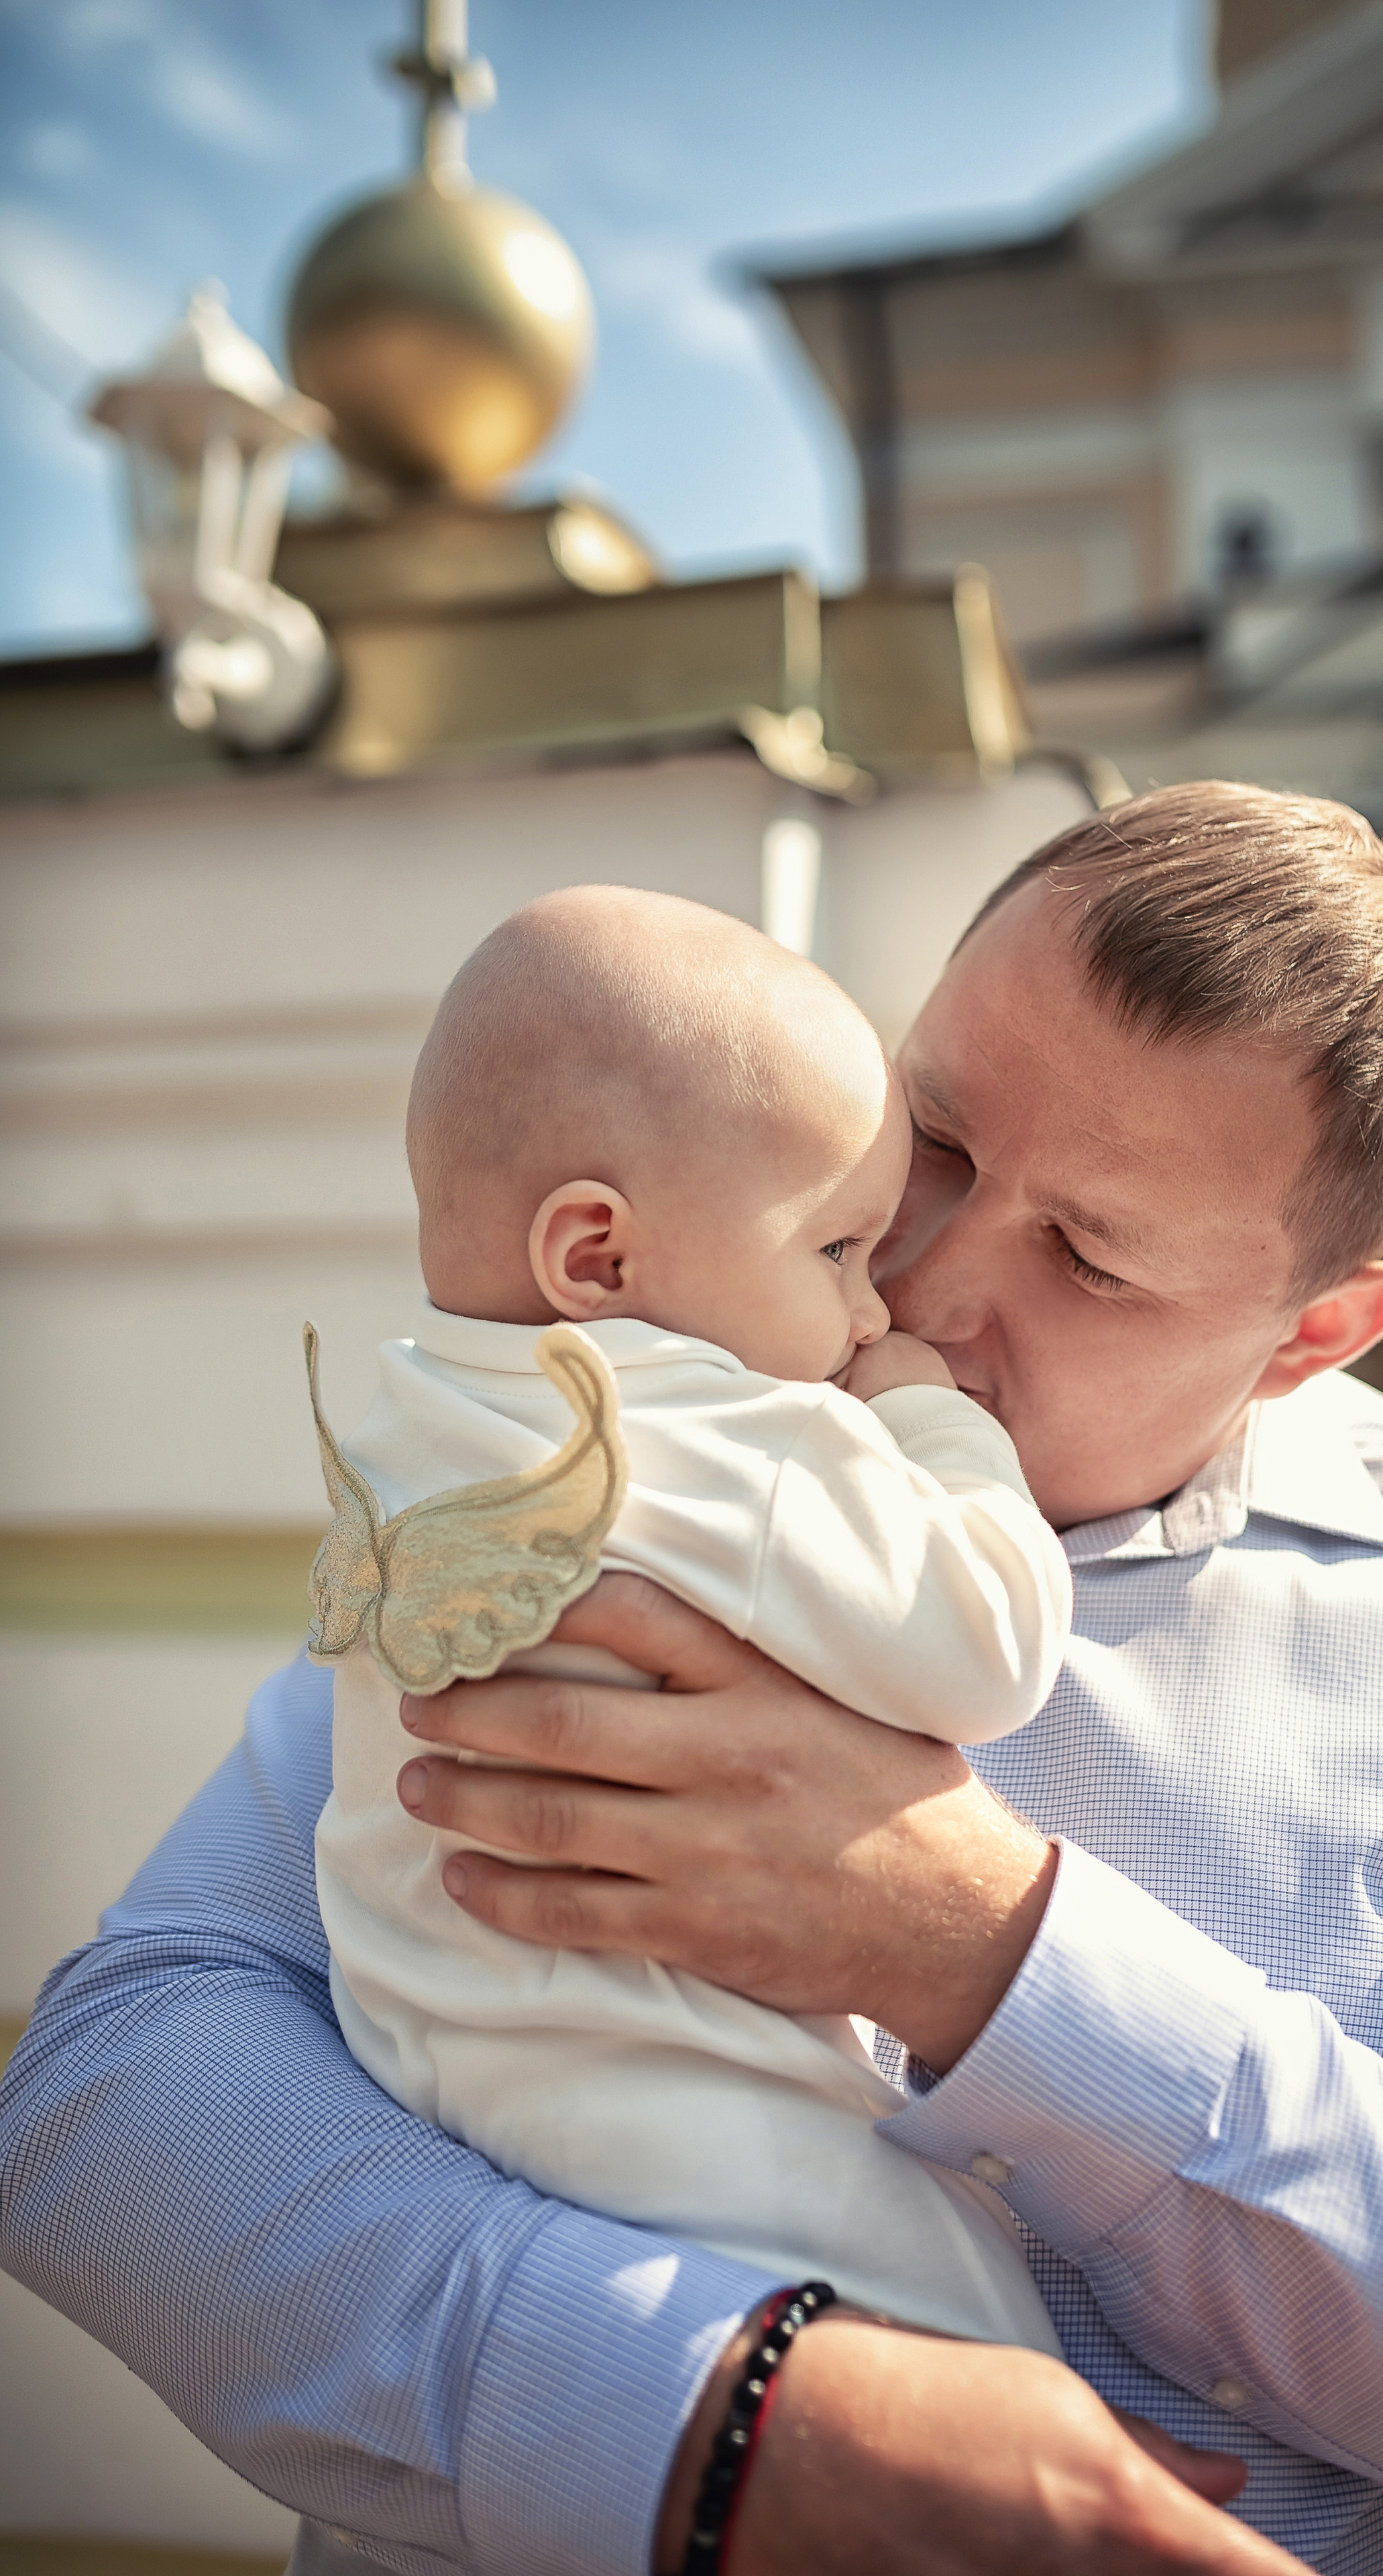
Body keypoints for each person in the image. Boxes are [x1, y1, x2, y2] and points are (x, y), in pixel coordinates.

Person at [3, 784, 1383, 2576]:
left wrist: (992, 1957)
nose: (922, 1280)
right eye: (942, 1141)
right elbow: (112, 2095)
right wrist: (704, 2421)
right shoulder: (633, 1429)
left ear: (1313, 1335)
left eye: (1087, 1256)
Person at [312, 885, 1066, 2351]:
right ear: (597, 1260)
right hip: (706, 2128)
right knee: (983, 2359)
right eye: (837, 1253)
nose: (873, 1306)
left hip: (429, 2082)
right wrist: (924, 1415)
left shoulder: (415, 1423)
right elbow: (995, 1639)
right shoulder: (725, 1431)